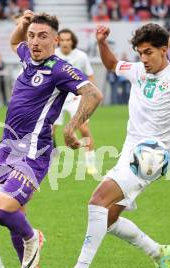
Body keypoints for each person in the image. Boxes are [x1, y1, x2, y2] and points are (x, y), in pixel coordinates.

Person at [48, 23, 170, 268]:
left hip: (153, 156)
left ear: (164, 50)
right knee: (108, 217)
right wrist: (101, 43)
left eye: (149, 52)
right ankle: (159, 253)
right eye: (140, 53)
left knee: (97, 201)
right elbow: (111, 65)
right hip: (130, 151)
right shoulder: (138, 70)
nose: (143, 59)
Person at [0, 10, 103, 268]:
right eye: (32, 36)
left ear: (55, 40)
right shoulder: (28, 56)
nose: (35, 42)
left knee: (1, 211)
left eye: (42, 36)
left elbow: (93, 94)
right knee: (16, 213)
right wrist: (24, 25)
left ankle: (34, 239)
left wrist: (71, 129)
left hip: (33, 152)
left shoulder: (59, 69)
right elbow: (16, 42)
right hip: (7, 149)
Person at [53, 28, 98, 175]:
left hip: (76, 98)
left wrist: (84, 94)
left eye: (68, 40)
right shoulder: (53, 56)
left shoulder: (81, 56)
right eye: (63, 40)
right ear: (58, 41)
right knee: (49, 131)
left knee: (84, 129)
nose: (65, 43)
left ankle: (91, 163)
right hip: (57, 98)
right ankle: (51, 155)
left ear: (72, 41)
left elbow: (90, 77)